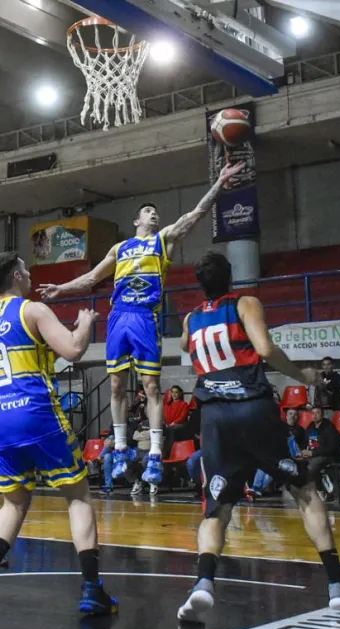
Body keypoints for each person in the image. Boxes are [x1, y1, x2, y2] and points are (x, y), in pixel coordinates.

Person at [176, 252, 340, 623]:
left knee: (216, 506)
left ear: (200, 284)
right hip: (253, 409)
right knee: (304, 490)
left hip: (214, 416)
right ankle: (337, 586)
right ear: (231, 278)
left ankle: (202, 584)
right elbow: (264, 349)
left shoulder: (191, 317)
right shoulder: (246, 302)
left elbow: (185, 345)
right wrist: (304, 376)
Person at [38, 161, 246, 490]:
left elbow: (195, 215)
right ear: (136, 220)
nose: (153, 214)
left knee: (150, 386)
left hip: (145, 317)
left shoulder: (163, 240)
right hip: (119, 316)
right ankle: (120, 448)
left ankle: (155, 455)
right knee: (118, 386)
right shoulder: (119, 248)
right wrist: (60, 289)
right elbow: (92, 278)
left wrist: (219, 183)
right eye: (147, 211)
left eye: (155, 212)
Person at [0, 252, 117, 616]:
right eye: (26, 269)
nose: (31, 274)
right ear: (16, 275)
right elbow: (74, 350)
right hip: (34, 412)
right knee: (77, 495)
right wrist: (84, 323)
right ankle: (92, 588)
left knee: (13, 503)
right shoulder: (32, 310)